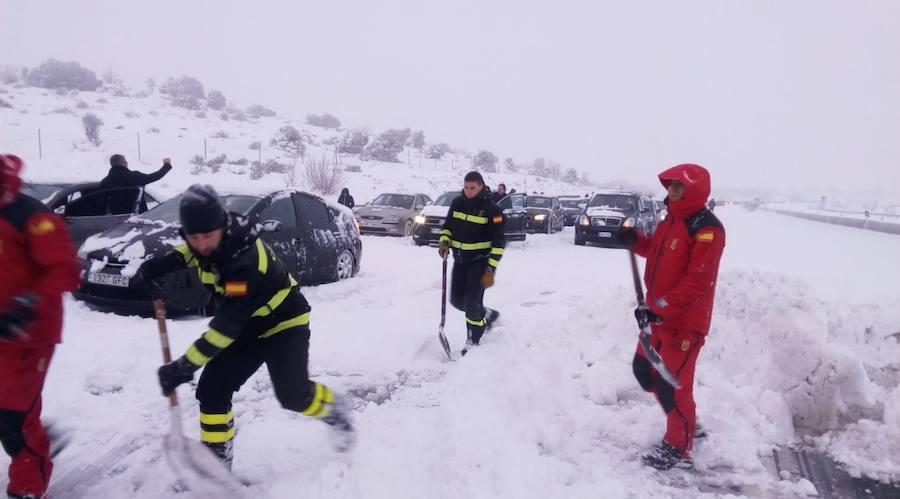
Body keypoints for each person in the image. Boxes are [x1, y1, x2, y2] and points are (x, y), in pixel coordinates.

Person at [137, 184, 355, 469]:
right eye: (194, 236)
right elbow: (197, 253)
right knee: (212, 390)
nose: (201, 244)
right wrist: (166, 263)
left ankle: (333, 409)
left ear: (223, 228)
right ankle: (217, 459)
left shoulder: (245, 261)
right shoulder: (212, 240)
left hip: (283, 322)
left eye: (208, 236)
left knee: (293, 395)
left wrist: (184, 366)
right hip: (247, 325)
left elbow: (225, 328)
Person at [616, 163, 726, 471]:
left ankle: (680, 446)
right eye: (671, 185)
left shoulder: (707, 227)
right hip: (656, 318)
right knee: (643, 371)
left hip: (684, 324)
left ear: (695, 188)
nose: (672, 190)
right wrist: (635, 240)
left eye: (679, 185)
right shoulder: (671, 219)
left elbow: (698, 280)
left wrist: (660, 307)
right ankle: (687, 420)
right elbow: (655, 251)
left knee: (671, 386)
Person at [0, 154, 81, 499]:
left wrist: (27, 303)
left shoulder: (33, 217)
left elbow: (65, 269)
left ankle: (27, 488)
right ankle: (40, 436)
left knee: (13, 420)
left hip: (27, 336)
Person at [438, 171, 506, 355]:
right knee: (457, 301)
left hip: (480, 263)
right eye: (466, 187)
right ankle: (488, 315)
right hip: (459, 261)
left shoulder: (493, 210)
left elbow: (499, 242)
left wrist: (490, 269)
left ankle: (472, 341)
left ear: (481, 187)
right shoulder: (457, 203)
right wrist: (444, 241)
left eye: (472, 188)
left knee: (471, 303)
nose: (468, 191)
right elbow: (448, 227)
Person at [100, 154, 172, 214]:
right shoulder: (134, 176)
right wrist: (166, 165)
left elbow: (102, 205)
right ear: (124, 162)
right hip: (138, 220)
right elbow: (154, 176)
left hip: (117, 223)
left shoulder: (104, 183)